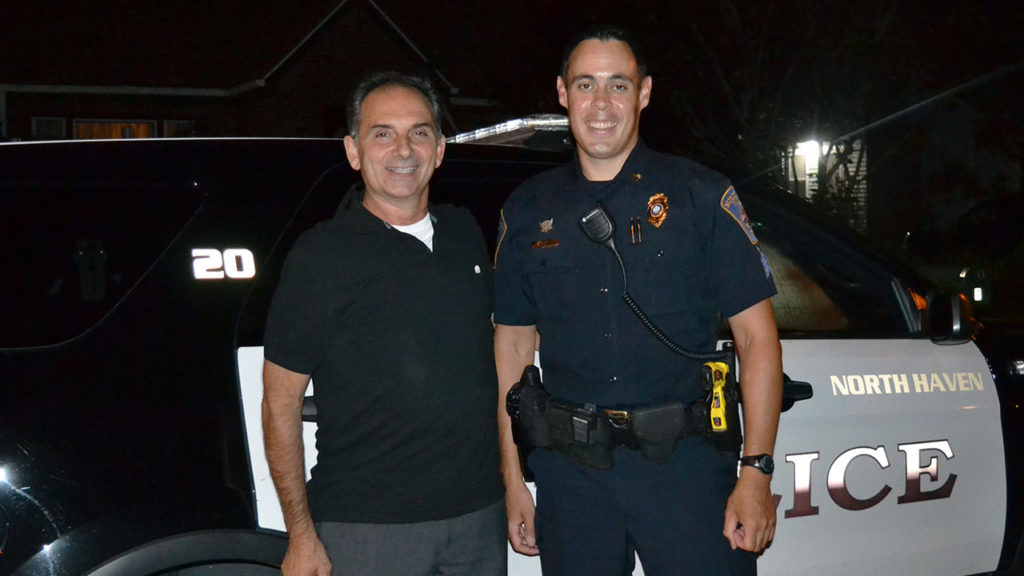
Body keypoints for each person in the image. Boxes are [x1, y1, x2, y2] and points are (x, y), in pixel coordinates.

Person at [494, 27, 783, 575]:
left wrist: (756, 473)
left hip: (689, 469)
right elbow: (510, 350)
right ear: (562, 93)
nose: (601, 104)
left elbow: (756, 337)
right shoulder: (527, 210)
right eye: (585, 84)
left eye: (618, 85)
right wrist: (515, 481)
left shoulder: (699, 195)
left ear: (644, 93)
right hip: (570, 474)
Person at [262, 71, 506, 576]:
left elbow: (500, 352)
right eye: (382, 133)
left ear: (439, 149)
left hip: (478, 518)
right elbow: (279, 402)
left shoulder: (464, 232)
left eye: (419, 132)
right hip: (368, 528)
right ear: (353, 150)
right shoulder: (322, 255)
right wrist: (301, 537)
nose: (403, 149)